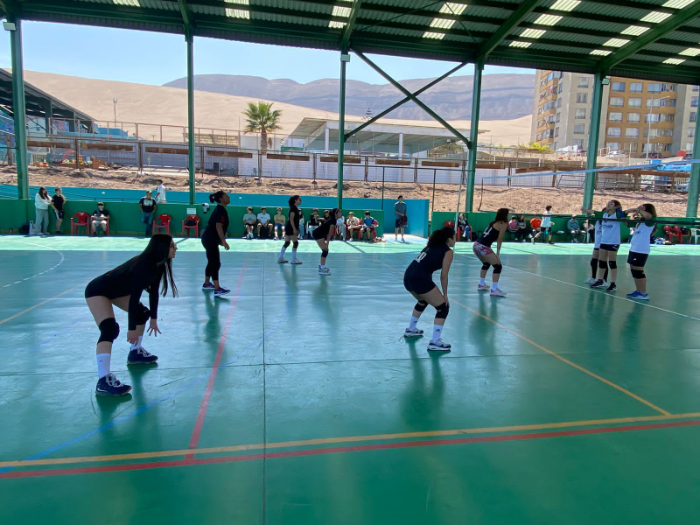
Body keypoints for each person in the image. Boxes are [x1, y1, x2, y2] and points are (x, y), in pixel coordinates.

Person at [85, 234, 178, 396]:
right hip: (98, 290)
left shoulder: (159, 264)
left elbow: (153, 293)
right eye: (172, 245)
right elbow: (135, 297)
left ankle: (135, 353)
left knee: (143, 314)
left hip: (117, 291)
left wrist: (154, 319)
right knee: (109, 329)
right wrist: (131, 329)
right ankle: (103, 380)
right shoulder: (144, 265)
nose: (176, 248)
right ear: (161, 248)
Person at [402, 226, 455, 351]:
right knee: (443, 307)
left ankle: (411, 329)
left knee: (423, 300)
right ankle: (435, 342)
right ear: (449, 239)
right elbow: (444, 275)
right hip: (419, 279)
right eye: (455, 237)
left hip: (408, 277)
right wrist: (445, 295)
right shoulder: (448, 252)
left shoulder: (430, 246)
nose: (455, 240)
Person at [586, 200, 628, 292]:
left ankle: (613, 284)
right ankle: (600, 280)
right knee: (601, 262)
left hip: (613, 242)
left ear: (616, 206)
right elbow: (593, 213)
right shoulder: (604, 215)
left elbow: (625, 213)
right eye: (608, 203)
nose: (609, 204)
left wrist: (634, 210)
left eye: (611, 203)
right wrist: (586, 210)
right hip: (603, 242)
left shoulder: (616, 215)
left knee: (612, 263)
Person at [201, 191, 231, 297]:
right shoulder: (221, 210)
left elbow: (216, 226)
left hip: (208, 238)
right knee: (215, 263)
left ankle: (207, 283)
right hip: (210, 239)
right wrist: (223, 240)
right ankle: (217, 288)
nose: (228, 197)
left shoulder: (220, 209)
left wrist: (219, 240)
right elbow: (218, 226)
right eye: (226, 196)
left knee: (211, 261)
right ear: (221, 199)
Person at [473, 207, 509, 297]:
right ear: (505, 215)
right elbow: (499, 240)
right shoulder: (503, 224)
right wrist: (497, 254)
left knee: (486, 263)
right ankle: (494, 290)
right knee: (498, 266)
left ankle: (481, 284)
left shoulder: (493, 222)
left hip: (476, 244)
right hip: (483, 246)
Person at [626, 204, 657, 300]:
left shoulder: (651, 220)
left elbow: (649, 216)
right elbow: (625, 222)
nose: (640, 207)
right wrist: (629, 212)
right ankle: (638, 290)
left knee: (639, 271)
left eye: (642, 206)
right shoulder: (640, 221)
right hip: (634, 248)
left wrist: (638, 210)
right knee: (633, 270)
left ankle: (643, 293)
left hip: (641, 249)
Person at [582, 207, 609, 286]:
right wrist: (588, 212)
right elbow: (589, 220)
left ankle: (604, 280)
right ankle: (593, 277)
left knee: (603, 262)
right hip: (597, 244)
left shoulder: (608, 221)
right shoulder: (597, 220)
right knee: (593, 261)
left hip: (604, 244)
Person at [313, 208, 342, 275]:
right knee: (325, 250)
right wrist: (327, 243)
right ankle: (322, 269)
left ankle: (322, 266)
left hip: (320, 234)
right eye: (339, 212)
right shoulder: (333, 221)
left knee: (325, 250)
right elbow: (330, 233)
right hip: (317, 234)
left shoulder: (333, 220)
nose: (341, 213)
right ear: (335, 214)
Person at [279, 195, 302, 264]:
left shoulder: (294, 208)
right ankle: (293, 259)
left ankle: (280, 258)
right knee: (295, 243)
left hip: (289, 227)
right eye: (299, 199)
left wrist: (297, 228)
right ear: (295, 200)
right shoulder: (293, 209)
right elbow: (291, 219)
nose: (300, 200)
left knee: (287, 242)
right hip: (291, 227)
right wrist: (294, 229)